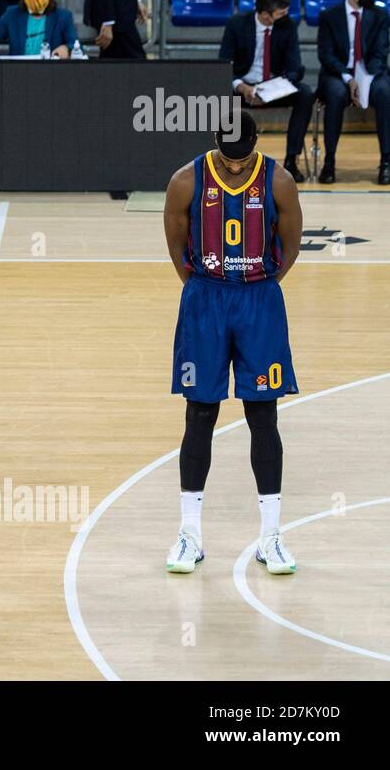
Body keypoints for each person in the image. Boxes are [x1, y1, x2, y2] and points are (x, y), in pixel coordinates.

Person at [162, 112, 302, 576]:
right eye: (229, 158)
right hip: (206, 300)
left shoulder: (279, 182)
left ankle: (270, 537)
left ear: (257, 144)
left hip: (259, 301)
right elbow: (177, 245)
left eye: (244, 160)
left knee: (263, 415)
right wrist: (206, 286)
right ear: (215, 141)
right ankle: (189, 535)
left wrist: (258, 284)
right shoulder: (186, 181)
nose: (237, 167)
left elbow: (291, 243)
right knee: (199, 413)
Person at [218, 0, 315, 183]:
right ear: (264, 14)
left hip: (275, 88)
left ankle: (291, 160)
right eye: (282, 12)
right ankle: (231, 159)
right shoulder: (236, 25)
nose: (287, 15)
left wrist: (278, 86)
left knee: (305, 94)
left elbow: (295, 67)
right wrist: (240, 85)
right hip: (243, 87)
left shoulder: (288, 26)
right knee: (218, 96)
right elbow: (223, 65)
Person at [315, 0, 390, 185]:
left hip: (369, 72)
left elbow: (380, 52)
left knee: (385, 91)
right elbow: (325, 54)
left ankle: (386, 161)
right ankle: (329, 162)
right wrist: (349, 78)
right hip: (338, 73)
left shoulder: (380, 15)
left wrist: (365, 78)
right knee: (336, 95)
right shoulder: (330, 16)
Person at [0, 0, 79, 57]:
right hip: (17, 72)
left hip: (51, 72)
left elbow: (76, 45)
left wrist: (66, 48)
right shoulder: (12, 14)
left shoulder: (63, 17)